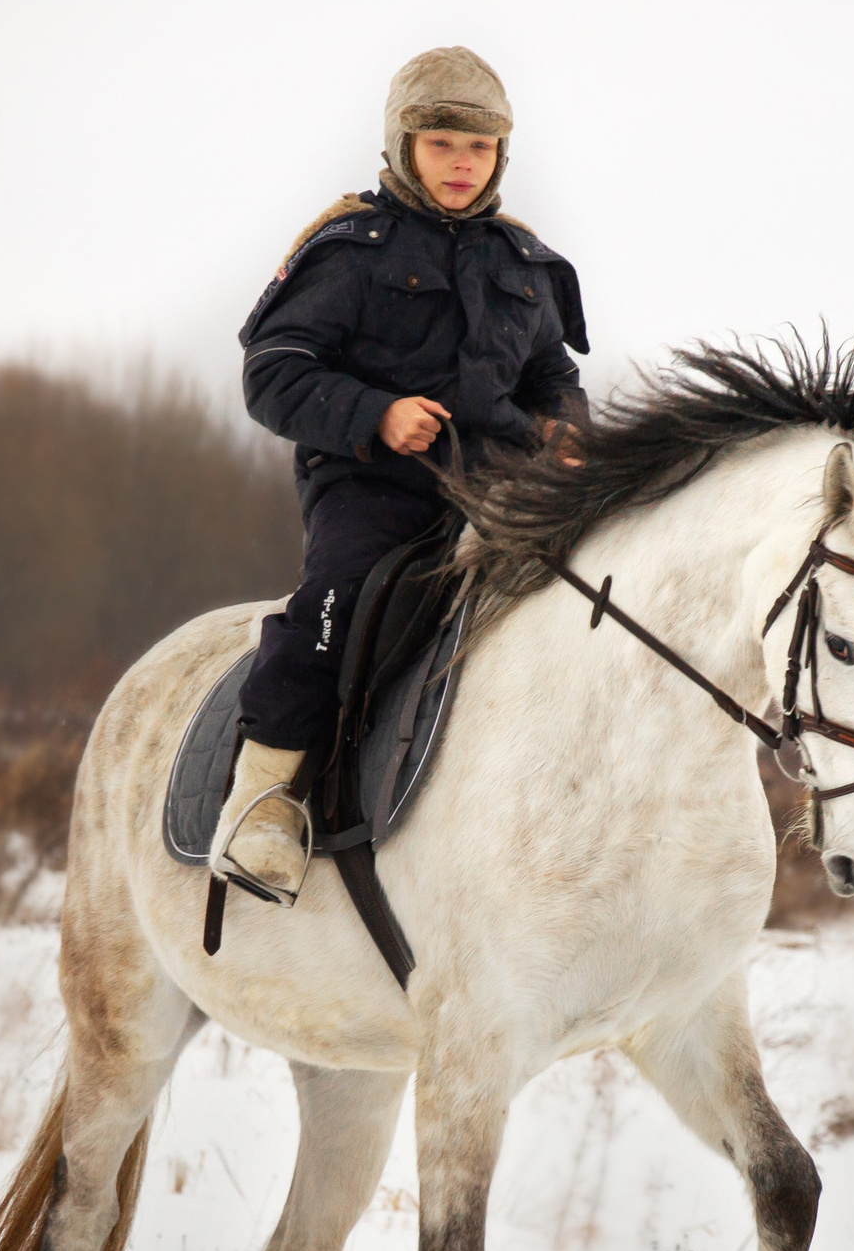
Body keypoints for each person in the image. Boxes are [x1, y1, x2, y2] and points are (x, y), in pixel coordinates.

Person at [213, 46, 588, 901]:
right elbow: (273, 372)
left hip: (504, 491)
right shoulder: (348, 249)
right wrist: (376, 416)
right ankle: (264, 801)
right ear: (403, 144)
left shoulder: (521, 263)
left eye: (480, 149)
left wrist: (568, 433)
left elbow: (552, 377)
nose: (463, 165)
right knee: (338, 602)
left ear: (502, 156)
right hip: (374, 487)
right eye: (443, 144)